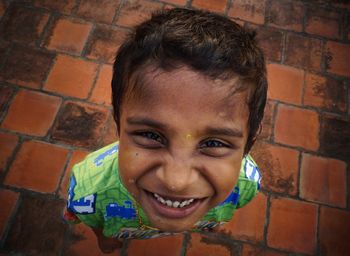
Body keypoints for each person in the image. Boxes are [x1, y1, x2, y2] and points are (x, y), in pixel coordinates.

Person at [63, 7, 267, 253]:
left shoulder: (246, 184)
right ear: (118, 122)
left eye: (213, 143)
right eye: (151, 136)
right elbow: (93, 221)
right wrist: (106, 239)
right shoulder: (89, 190)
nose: (176, 182)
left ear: (249, 143)